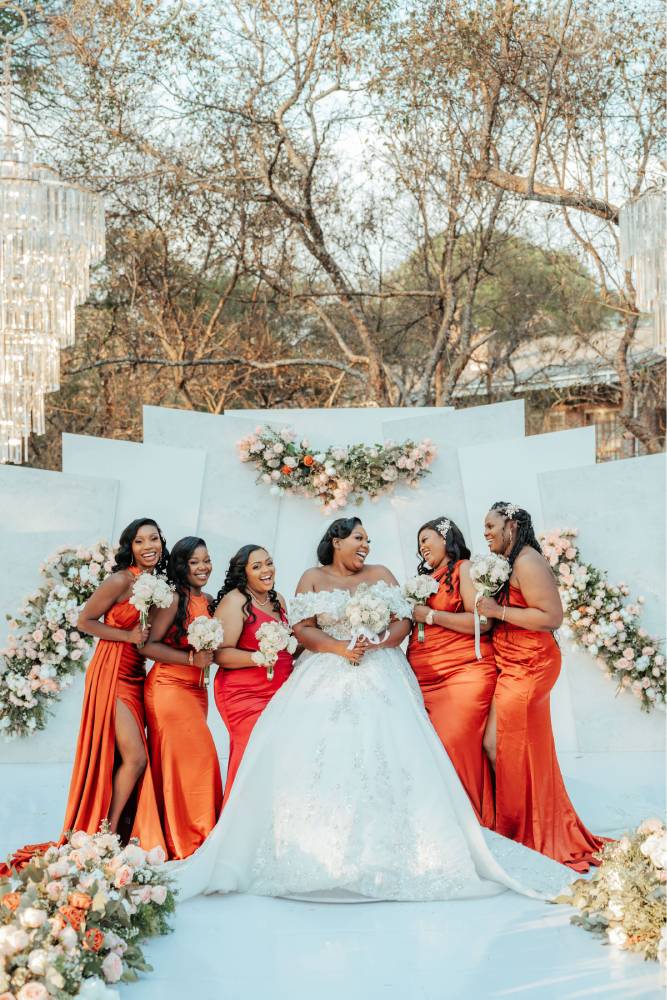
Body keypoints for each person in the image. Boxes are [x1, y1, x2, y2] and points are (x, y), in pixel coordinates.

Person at [166, 517, 571, 903]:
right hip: (326, 667)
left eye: (368, 540)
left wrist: (380, 642)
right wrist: (339, 648)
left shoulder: (382, 574)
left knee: (393, 750)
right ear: (337, 541)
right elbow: (303, 629)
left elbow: (404, 621)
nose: (366, 545)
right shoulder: (311, 577)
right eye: (358, 538)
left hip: (381, 669)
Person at [0, 518, 169, 873]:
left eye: (154, 539)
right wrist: (128, 637)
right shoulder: (121, 580)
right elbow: (84, 620)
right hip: (112, 671)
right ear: (130, 547)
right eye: (140, 541)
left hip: (137, 673)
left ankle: (119, 830)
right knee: (135, 757)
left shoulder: (157, 584)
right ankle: (106, 832)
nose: (148, 546)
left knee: (124, 758)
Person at [477, 501, 605, 871]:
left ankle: (530, 831)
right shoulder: (509, 561)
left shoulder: (527, 561)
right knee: (500, 745)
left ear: (512, 526)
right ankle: (521, 823)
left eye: (491, 526)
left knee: (509, 748)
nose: (485, 533)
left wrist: (497, 611)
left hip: (531, 664)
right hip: (512, 662)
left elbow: (552, 617)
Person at [407, 516, 496, 826]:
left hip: (463, 672)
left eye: (426, 539)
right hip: (427, 683)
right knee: (432, 750)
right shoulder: (426, 579)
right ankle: (447, 823)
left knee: (454, 743)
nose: (421, 547)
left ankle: (473, 821)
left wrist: (431, 616)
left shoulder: (463, 569)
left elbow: (482, 622)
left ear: (445, 539)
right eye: (419, 543)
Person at [143, 537, 222, 860]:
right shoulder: (174, 600)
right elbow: (147, 645)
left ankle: (187, 834)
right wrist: (191, 659)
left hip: (197, 691)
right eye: (194, 562)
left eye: (207, 560)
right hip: (169, 688)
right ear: (181, 565)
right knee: (199, 761)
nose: (203, 567)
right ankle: (190, 840)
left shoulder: (210, 601)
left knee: (184, 765)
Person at [212, 544, 294, 797]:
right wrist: (258, 657)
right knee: (252, 753)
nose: (266, 570)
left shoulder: (278, 600)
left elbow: (286, 649)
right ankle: (237, 814)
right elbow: (219, 654)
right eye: (257, 566)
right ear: (243, 573)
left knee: (277, 758)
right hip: (243, 694)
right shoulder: (235, 601)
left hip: (279, 692)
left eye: (269, 563)